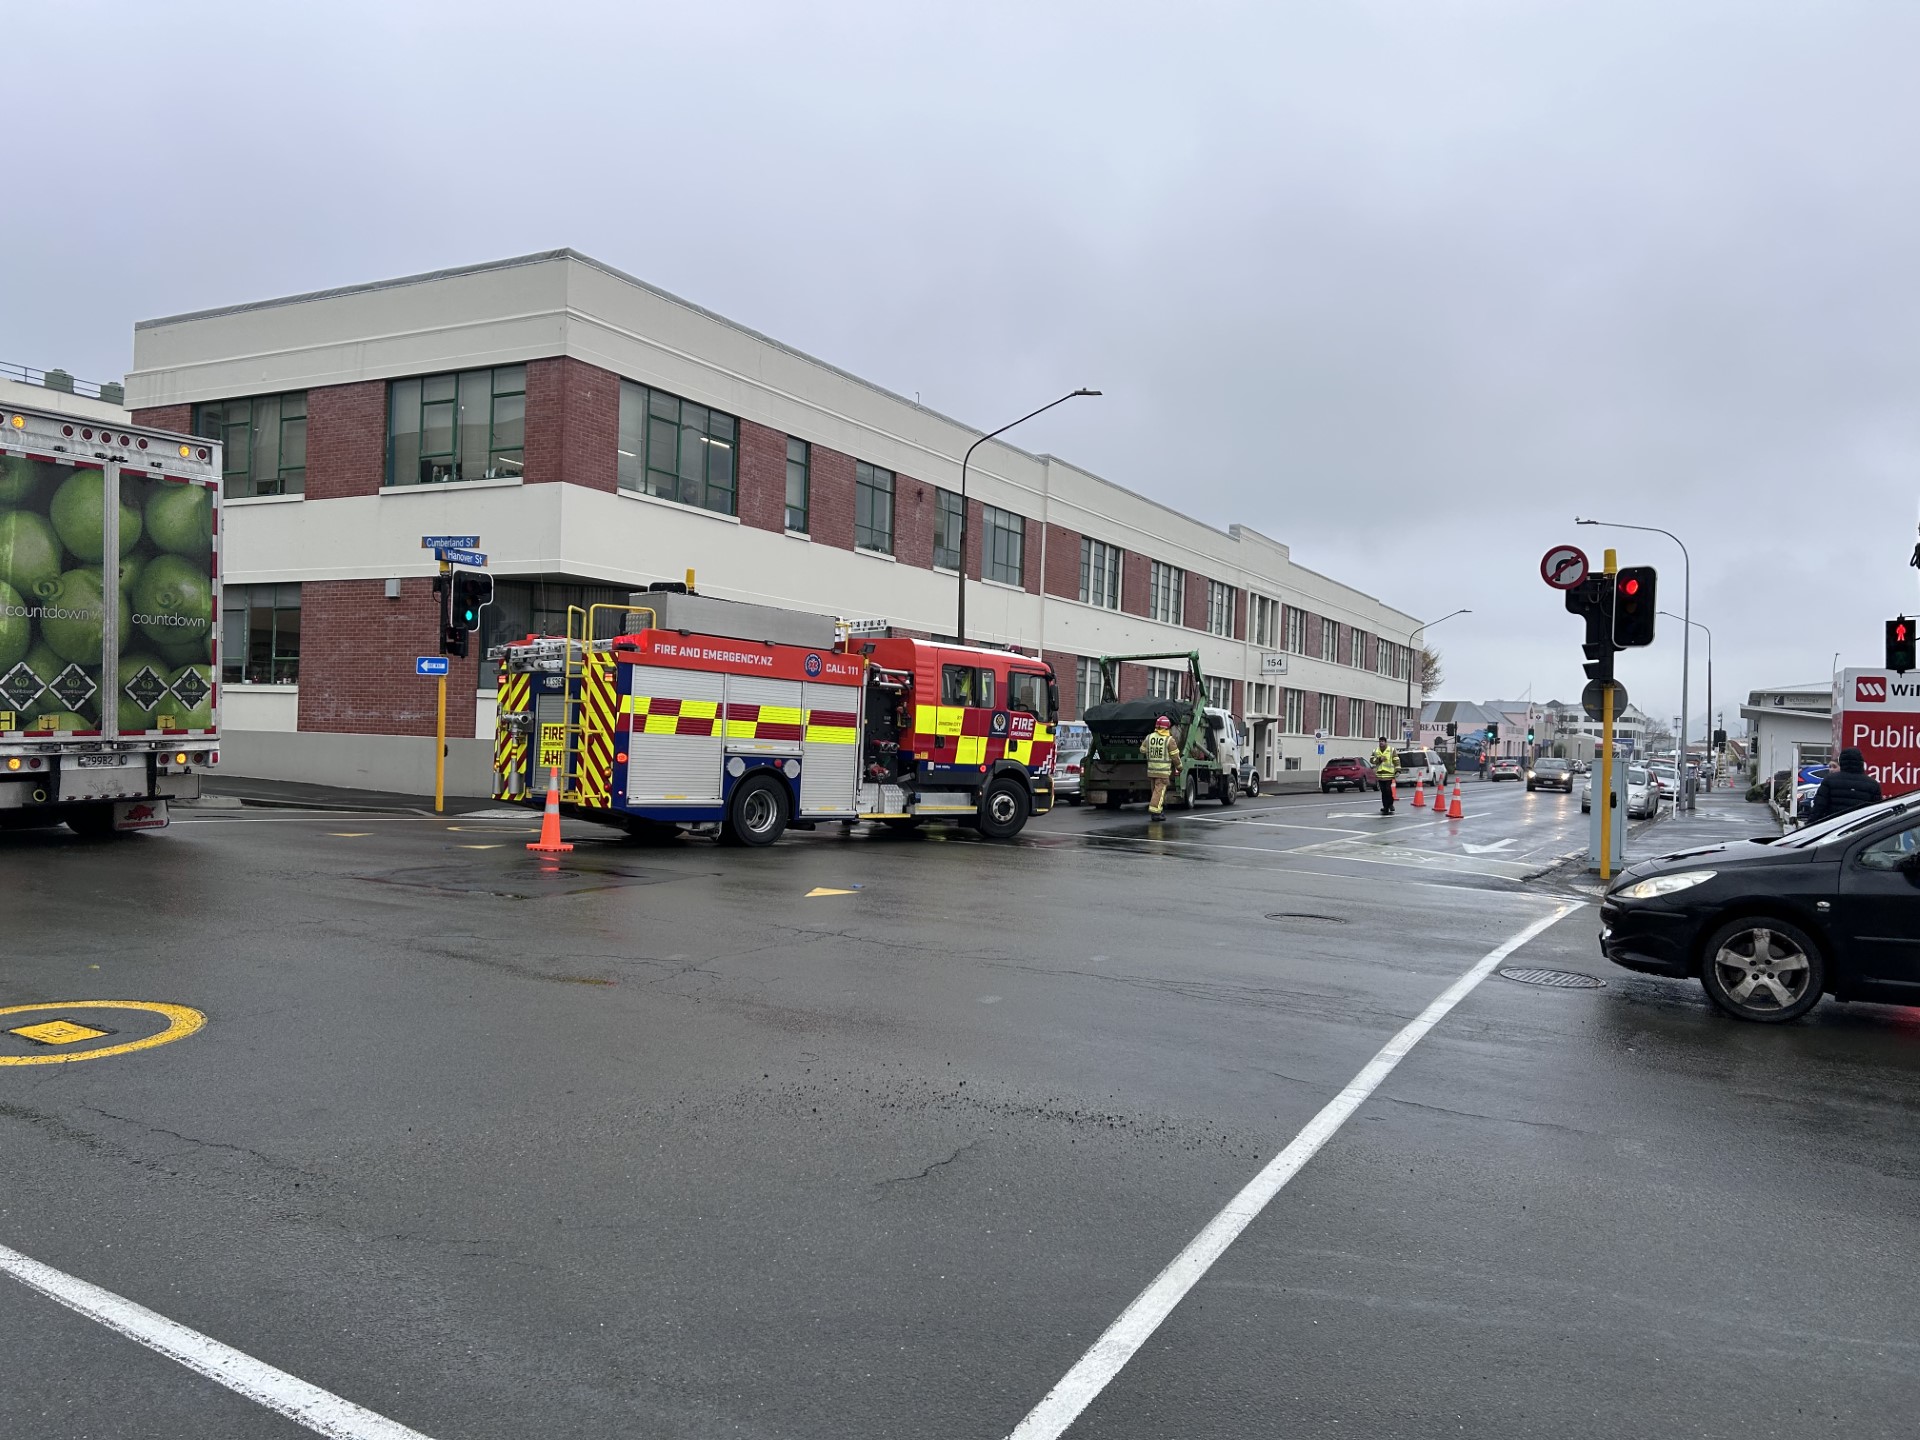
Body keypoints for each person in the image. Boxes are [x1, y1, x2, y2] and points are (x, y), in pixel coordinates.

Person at [1807, 748, 1881, 822]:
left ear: (1841, 761)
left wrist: (1809, 826)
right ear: (1861, 762)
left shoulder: (1829, 780)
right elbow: (1876, 812)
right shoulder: (1872, 784)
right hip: (1860, 828)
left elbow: (1819, 808)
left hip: (1834, 826)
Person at [1143, 715, 1176, 818]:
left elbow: (1142, 750)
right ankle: (1155, 812)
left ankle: (1159, 810)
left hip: (1152, 770)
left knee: (1155, 791)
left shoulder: (1149, 737)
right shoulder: (1169, 740)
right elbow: (1175, 756)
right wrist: (1179, 767)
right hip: (1162, 771)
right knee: (1159, 792)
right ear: (1167, 727)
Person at [1370, 736, 1400, 815]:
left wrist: (1398, 770)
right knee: (1383, 791)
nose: (1381, 743)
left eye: (1383, 741)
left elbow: (1396, 760)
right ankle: (1385, 807)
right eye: (1380, 741)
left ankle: (1390, 804)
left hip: (1388, 774)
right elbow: (1372, 760)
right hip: (1380, 774)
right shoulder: (1376, 751)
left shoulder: (1391, 750)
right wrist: (1379, 759)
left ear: (1386, 742)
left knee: (1388, 790)